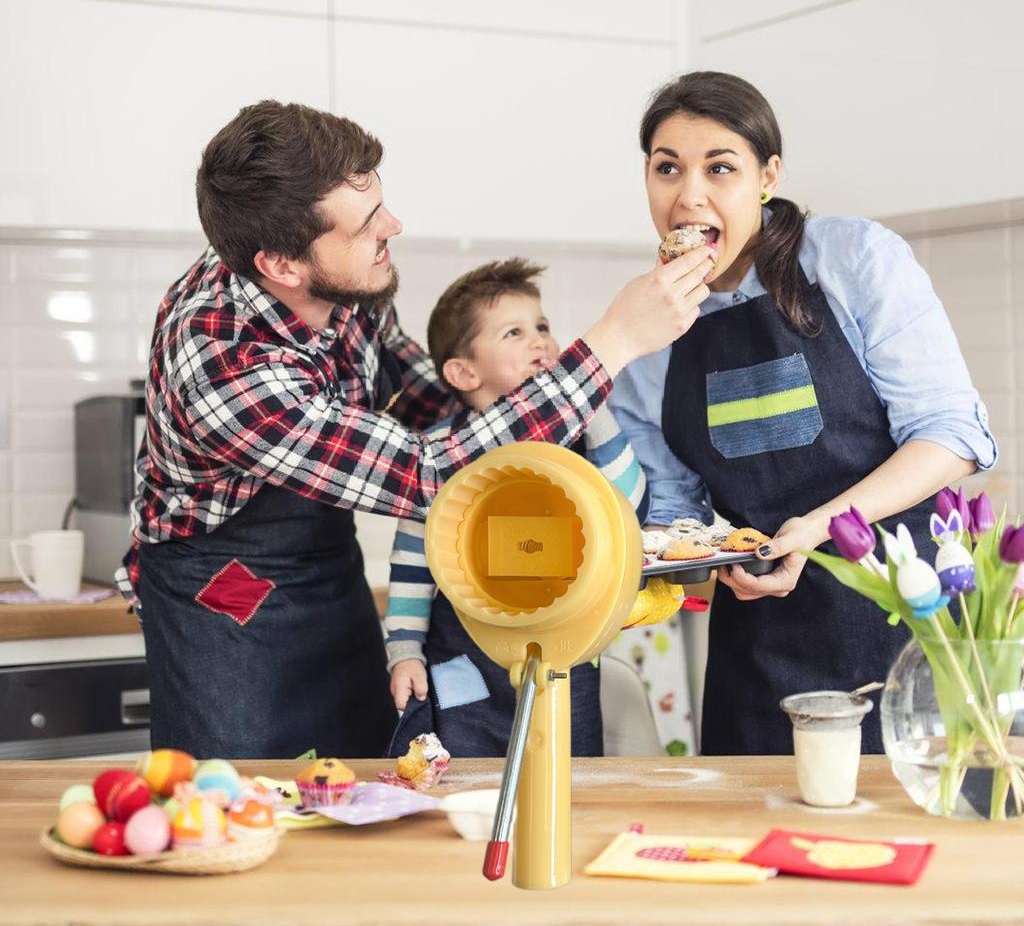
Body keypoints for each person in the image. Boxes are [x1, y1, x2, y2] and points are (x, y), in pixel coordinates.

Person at [116, 99, 713, 759]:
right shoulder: (224, 362)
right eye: (369, 225)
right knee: (244, 799)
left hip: (322, 565)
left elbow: (419, 400)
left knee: (361, 784)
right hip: (224, 592)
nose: (393, 228)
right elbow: (430, 475)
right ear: (284, 266)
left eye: (381, 205)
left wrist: (511, 392)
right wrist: (611, 345)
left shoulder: (339, 278)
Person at [609, 71, 997, 756]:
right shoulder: (644, 334)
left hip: (910, 620)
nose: (688, 195)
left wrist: (820, 527)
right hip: (762, 650)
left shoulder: (851, 258)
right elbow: (674, 510)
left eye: (719, 167)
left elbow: (952, 437)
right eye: (667, 168)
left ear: (768, 174)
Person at [384, 259, 650, 757]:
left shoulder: (579, 441)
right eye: (514, 332)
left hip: (564, 661)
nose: (540, 342)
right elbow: (412, 566)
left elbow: (629, 511)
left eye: (542, 327)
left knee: (567, 787)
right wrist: (403, 652)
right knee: (466, 787)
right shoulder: (438, 457)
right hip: (464, 665)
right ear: (464, 371)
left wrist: (593, 412)